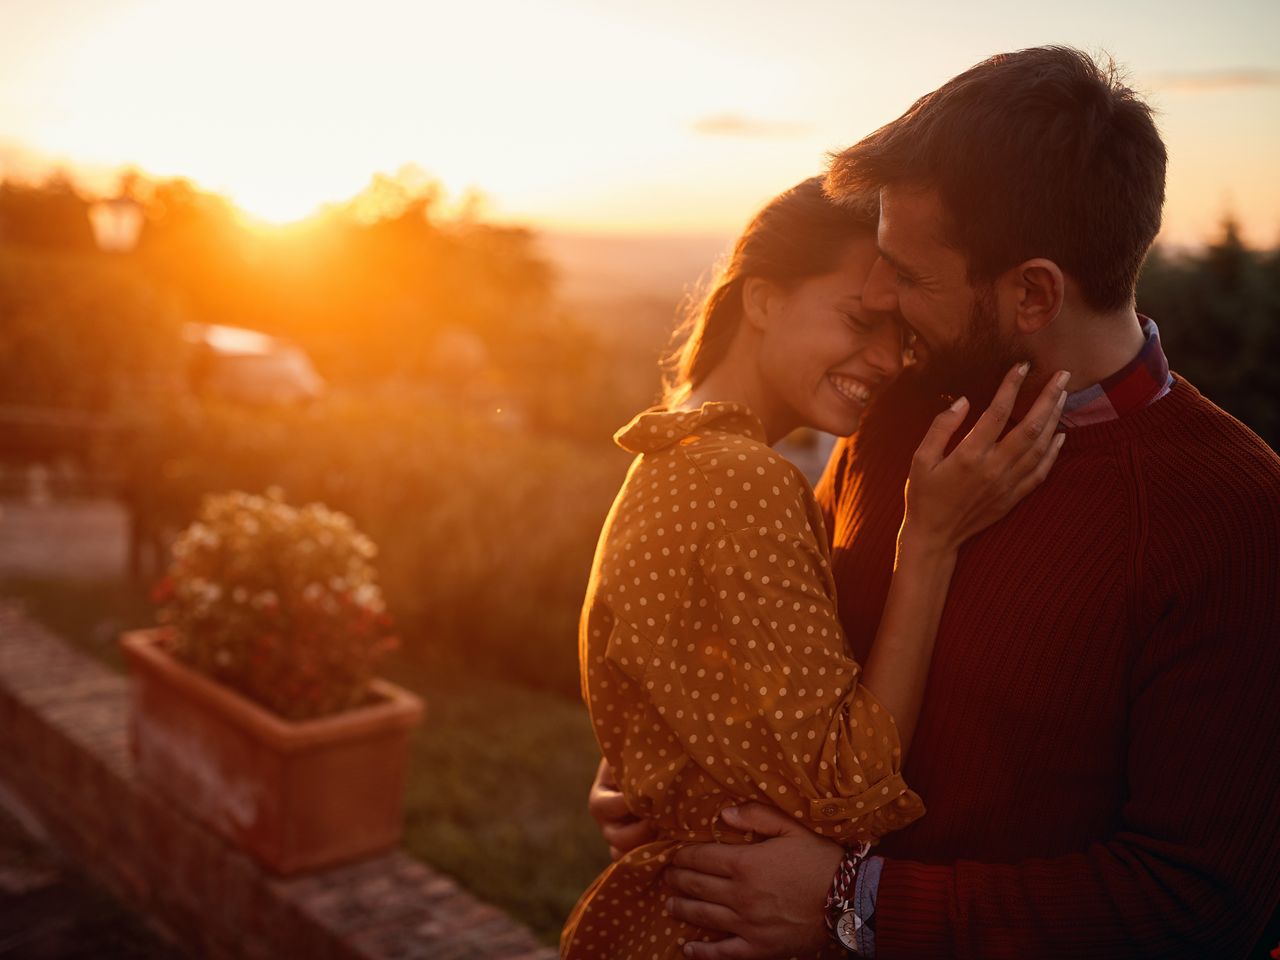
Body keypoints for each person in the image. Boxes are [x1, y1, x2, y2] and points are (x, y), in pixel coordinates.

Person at [590, 45, 1280, 959]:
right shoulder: (902, 413)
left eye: (909, 277)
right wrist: (672, 765)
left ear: (1033, 292)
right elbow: (799, 648)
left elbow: (1201, 899)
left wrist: (854, 905)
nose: (880, 296)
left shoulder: (1231, 511)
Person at [562, 177, 1069, 960]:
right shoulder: (737, 477)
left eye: (900, 337)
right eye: (860, 320)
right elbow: (846, 786)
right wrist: (929, 540)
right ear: (762, 300)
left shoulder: (672, 457)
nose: (886, 361)